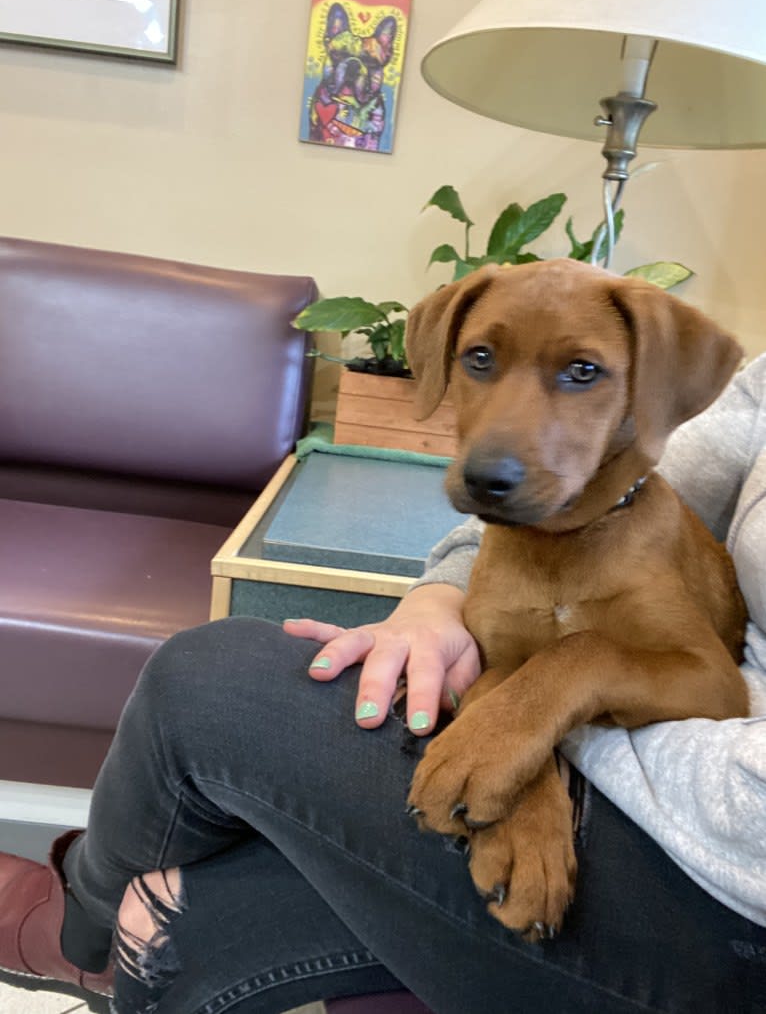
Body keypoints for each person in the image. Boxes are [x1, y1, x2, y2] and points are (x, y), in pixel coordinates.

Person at [1, 355, 765, 1014]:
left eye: (579, 374)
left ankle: (79, 925)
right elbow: (619, 486)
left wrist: (536, 718)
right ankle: (99, 937)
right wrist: (437, 598)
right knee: (183, 928)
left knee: (207, 681)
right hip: (666, 771)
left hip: (727, 880)